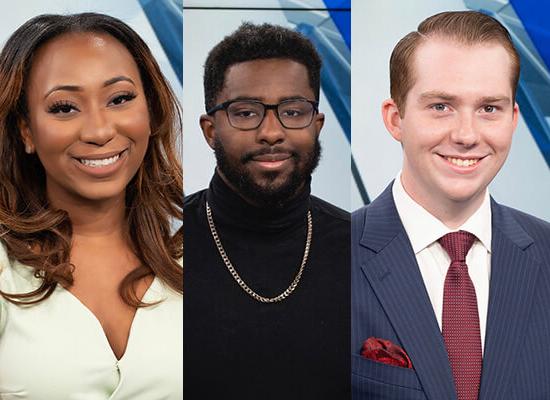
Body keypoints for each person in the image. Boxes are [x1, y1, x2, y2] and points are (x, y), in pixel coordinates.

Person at [352, 10, 550, 400]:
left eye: (488, 108)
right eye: (441, 106)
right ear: (396, 119)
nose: (466, 135)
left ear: (512, 120)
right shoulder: (330, 254)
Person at [0, 13, 183, 399]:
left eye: (120, 99)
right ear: (26, 131)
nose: (100, 131)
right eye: (65, 107)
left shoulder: (204, 260)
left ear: (150, 111)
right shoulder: (5, 270)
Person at [183, 23, 350, 399]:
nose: (272, 132)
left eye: (293, 111)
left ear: (317, 125)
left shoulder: (363, 248)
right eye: (245, 113)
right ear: (210, 130)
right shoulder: (161, 242)